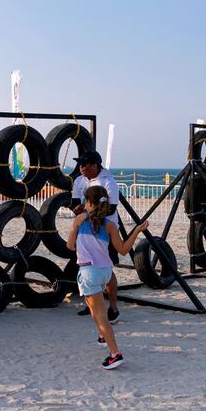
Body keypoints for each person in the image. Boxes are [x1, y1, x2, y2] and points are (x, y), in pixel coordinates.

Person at [67, 186, 147, 370]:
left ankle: (115, 354)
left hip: (89, 272)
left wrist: (74, 227)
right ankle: (103, 336)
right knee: (94, 308)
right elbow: (124, 250)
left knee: (101, 316)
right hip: (106, 272)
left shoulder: (80, 221)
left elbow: (70, 246)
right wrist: (136, 231)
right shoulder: (110, 225)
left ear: (89, 203)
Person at [71, 150, 123, 321]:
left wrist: (89, 215)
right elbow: (75, 203)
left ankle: (113, 307)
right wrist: (77, 211)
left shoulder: (109, 183)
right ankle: (92, 303)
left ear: (95, 165)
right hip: (85, 231)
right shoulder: (79, 181)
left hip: (104, 231)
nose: (81, 168)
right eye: (80, 164)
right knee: (87, 266)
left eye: (85, 165)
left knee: (107, 268)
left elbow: (111, 208)